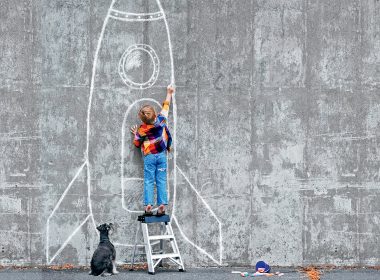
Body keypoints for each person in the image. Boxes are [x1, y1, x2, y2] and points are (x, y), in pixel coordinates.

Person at [130, 85, 174, 216]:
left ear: (143, 119)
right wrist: (169, 93)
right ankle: (161, 205)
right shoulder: (161, 120)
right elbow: (166, 107)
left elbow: (137, 143)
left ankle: (148, 204)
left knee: (149, 180)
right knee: (161, 180)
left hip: (149, 157)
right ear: (155, 113)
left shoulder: (142, 129)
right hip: (161, 156)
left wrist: (135, 133)